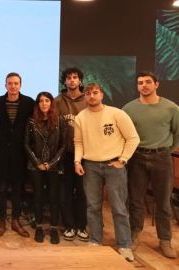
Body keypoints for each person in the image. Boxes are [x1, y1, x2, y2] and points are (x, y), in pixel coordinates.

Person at [74, 83, 139, 262]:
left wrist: (123, 160)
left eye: (95, 93)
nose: (91, 96)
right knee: (93, 206)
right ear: (84, 97)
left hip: (114, 165)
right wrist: (77, 161)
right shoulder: (80, 117)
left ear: (102, 95)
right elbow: (78, 142)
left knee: (119, 207)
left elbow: (133, 138)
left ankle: (124, 245)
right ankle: (95, 241)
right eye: (88, 94)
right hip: (90, 166)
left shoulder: (117, 114)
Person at [123, 71, 179, 259]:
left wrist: (166, 149)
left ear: (157, 84)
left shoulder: (171, 108)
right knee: (135, 200)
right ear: (137, 86)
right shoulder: (128, 109)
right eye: (140, 83)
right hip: (137, 157)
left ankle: (165, 240)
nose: (144, 86)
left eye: (148, 82)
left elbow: (177, 133)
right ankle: (134, 234)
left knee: (163, 202)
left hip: (162, 157)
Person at [0, 72, 34, 237]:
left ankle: (16, 220)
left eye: (16, 83)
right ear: (5, 85)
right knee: (1, 188)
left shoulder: (29, 102)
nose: (13, 86)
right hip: (1, 151)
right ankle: (2, 220)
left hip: (20, 152)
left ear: (20, 85)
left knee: (18, 188)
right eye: (10, 83)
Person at [25, 92, 66, 244]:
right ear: (37, 104)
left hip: (55, 166)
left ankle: (54, 228)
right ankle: (39, 227)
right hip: (36, 166)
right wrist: (38, 163)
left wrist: (52, 163)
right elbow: (26, 144)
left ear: (51, 103)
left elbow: (63, 145)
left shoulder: (60, 121)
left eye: (47, 100)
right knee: (38, 197)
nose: (44, 103)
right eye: (41, 101)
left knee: (54, 197)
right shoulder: (31, 122)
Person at [54, 67, 89, 241]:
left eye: (75, 77)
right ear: (65, 81)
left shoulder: (88, 100)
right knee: (65, 191)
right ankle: (69, 225)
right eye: (68, 78)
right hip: (65, 153)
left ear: (80, 80)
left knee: (82, 192)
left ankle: (81, 226)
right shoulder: (57, 101)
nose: (72, 80)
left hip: (86, 155)